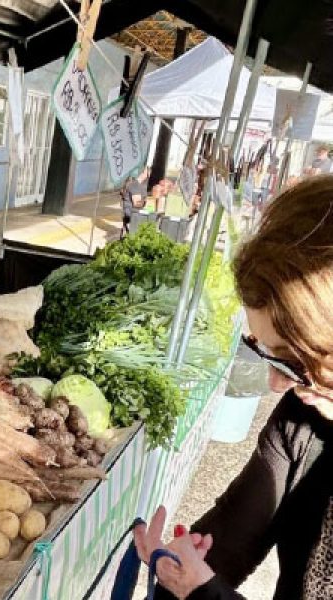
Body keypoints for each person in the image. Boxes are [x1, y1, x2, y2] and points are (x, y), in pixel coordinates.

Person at [134, 175, 333, 599]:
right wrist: (181, 566)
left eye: (296, 361)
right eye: (266, 352)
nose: (277, 382)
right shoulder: (305, 417)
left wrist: (204, 593)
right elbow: (239, 525)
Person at [120, 167, 150, 237]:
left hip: (132, 215)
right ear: (143, 173)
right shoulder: (135, 185)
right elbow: (137, 203)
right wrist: (147, 202)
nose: (149, 174)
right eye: (148, 171)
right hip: (133, 215)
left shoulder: (136, 184)